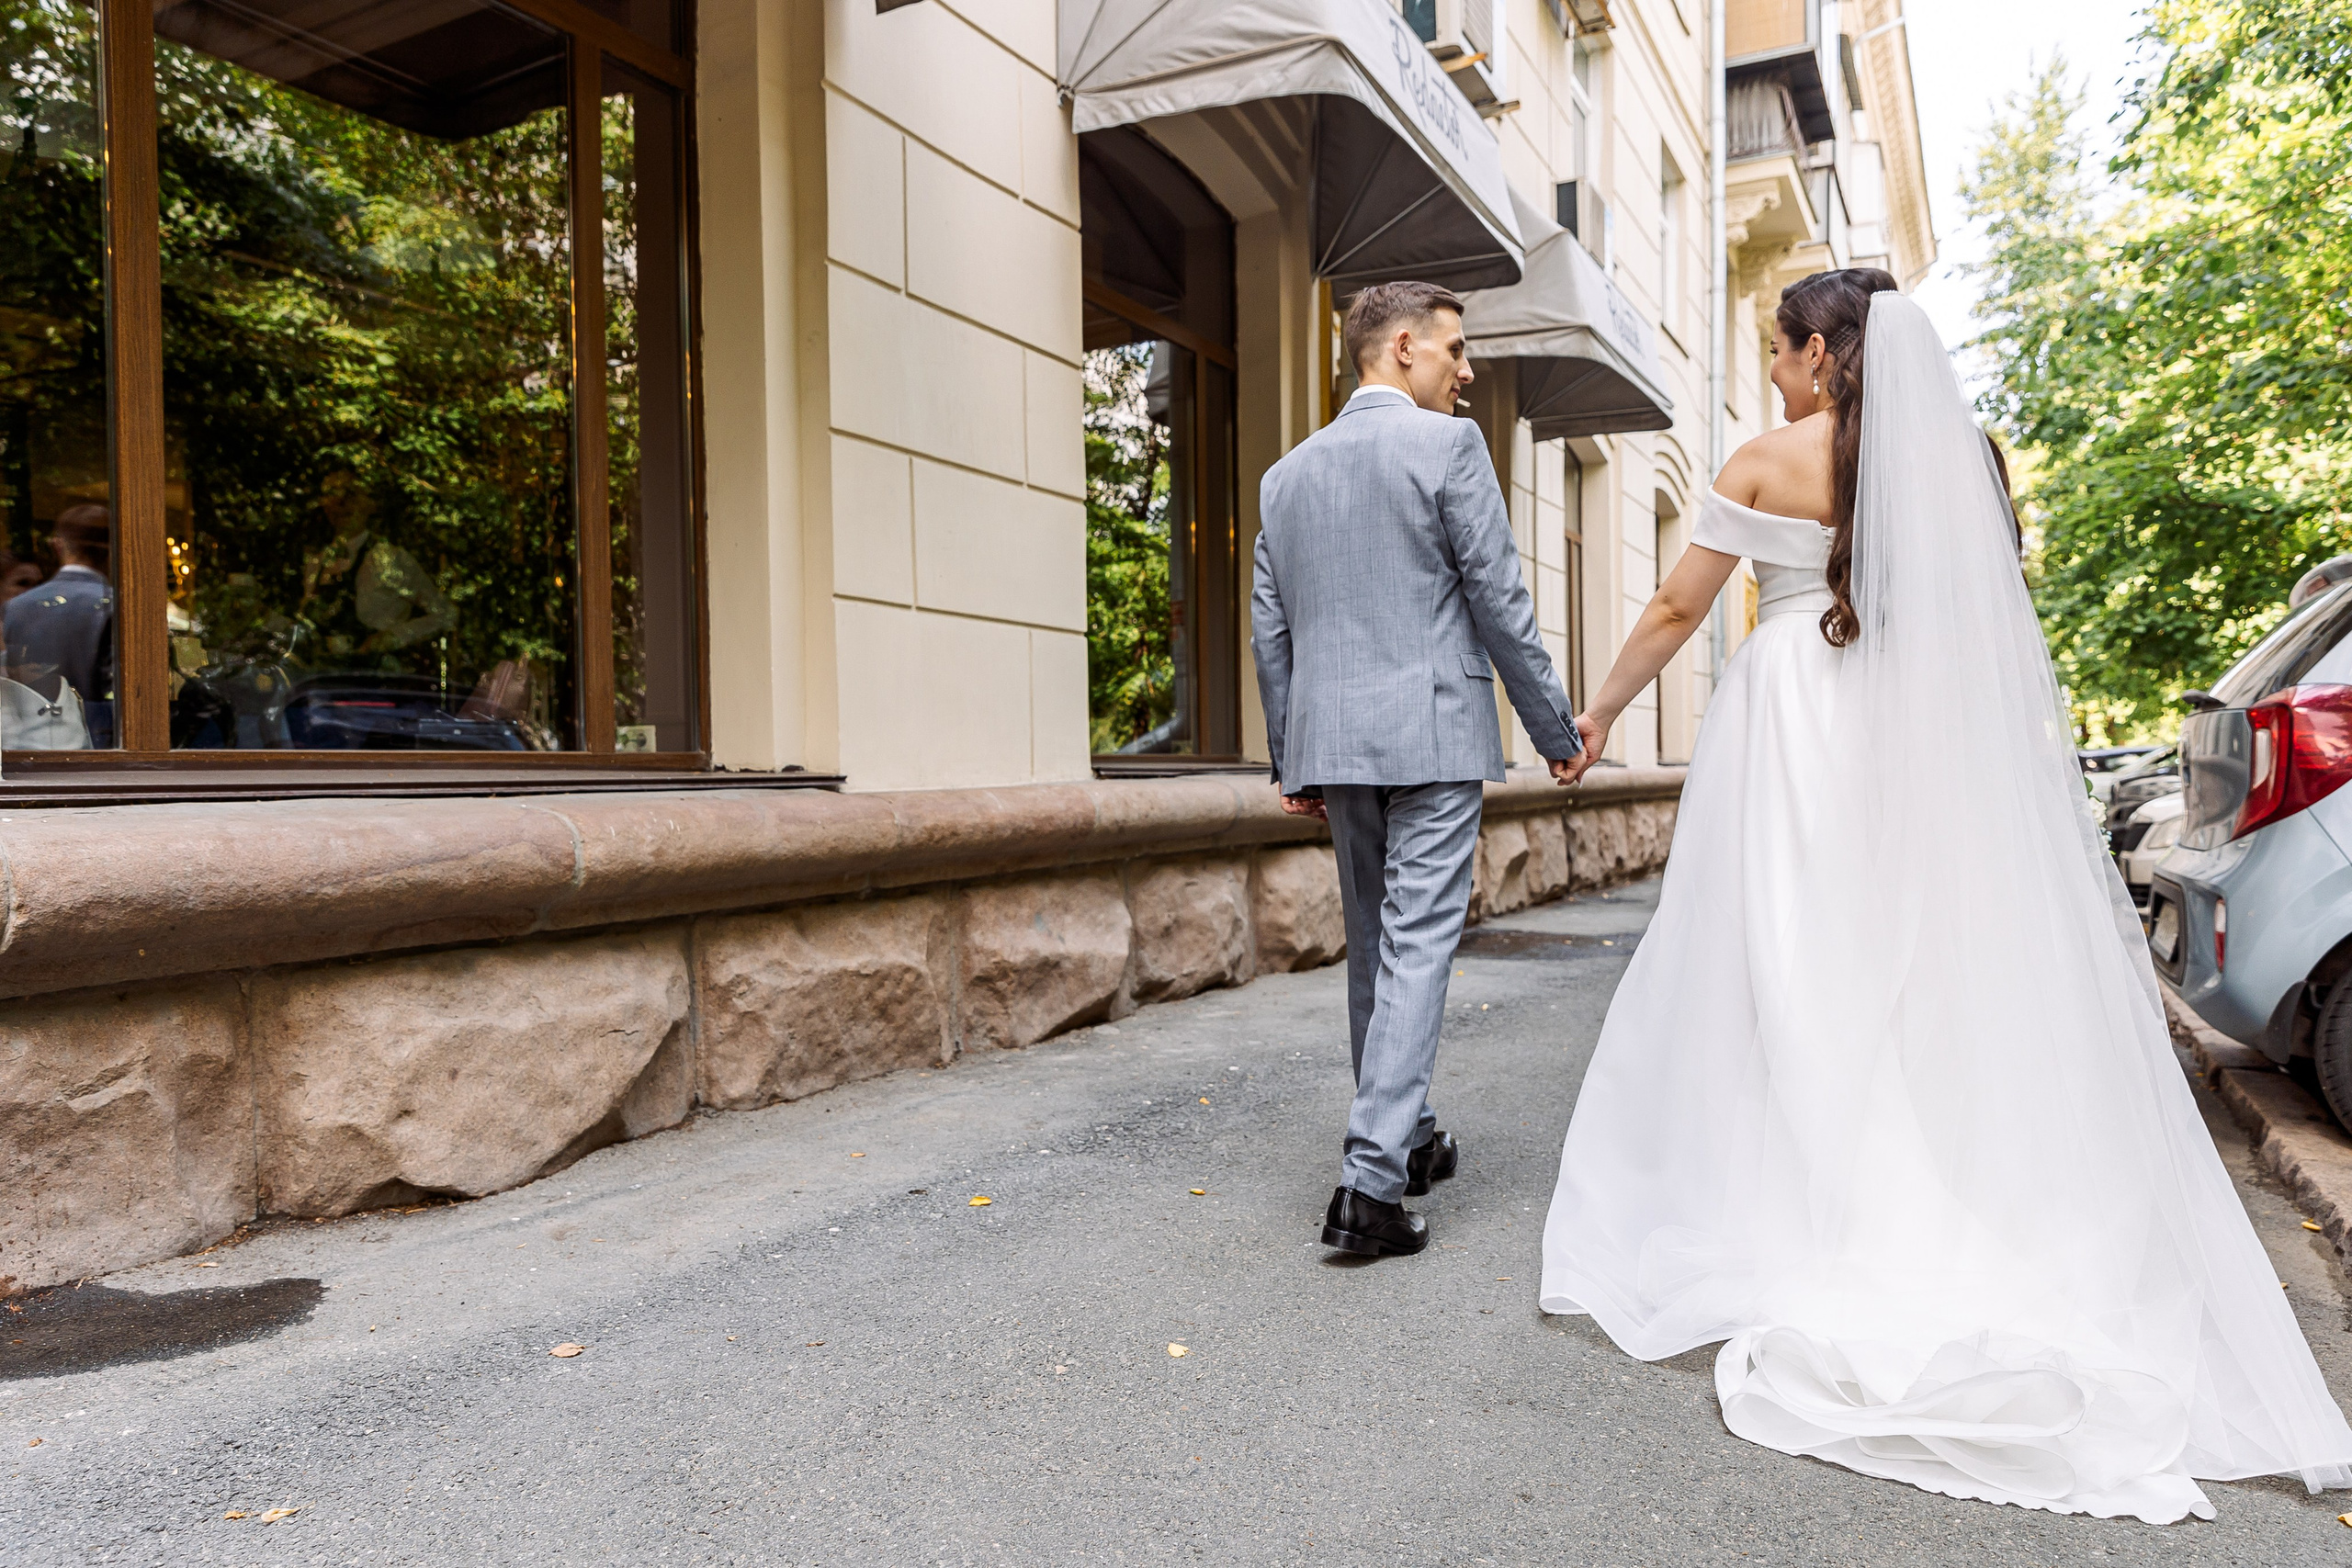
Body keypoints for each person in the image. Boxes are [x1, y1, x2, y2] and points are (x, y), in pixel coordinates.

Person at [1539, 269, 2352, 1521]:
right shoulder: (1948, 463)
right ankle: (1910, 1171)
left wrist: (1596, 714)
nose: (1774, 370)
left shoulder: (1766, 460)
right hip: (1896, 736)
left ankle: (1798, 1188)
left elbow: (1673, 602)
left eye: (1781, 349)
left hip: (1789, 729)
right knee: (1890, 963)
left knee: (1780, 954)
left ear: (1823, 353)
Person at [1250, 279, 1582, 1259]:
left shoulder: (1286, 477)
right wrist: (1554, 727)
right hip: (1432, 732)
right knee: (1417, 946)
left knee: (1376, 945)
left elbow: (1271, 629)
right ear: (1402, 347)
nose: (1466, 370)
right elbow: (1498, 597)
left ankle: (1409, 1136)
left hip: (1335, 742)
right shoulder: (1449, 447)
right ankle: (1368, 1186)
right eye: (1454, 350)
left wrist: (1292, 756)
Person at [4, 504, 116, 748]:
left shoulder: (17, 607)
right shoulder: (118, 606)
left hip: (29, 742)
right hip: (106, 742)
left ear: (58, 546)